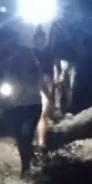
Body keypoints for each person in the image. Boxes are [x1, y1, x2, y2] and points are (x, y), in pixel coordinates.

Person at [0, 48, 44, 176]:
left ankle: (26, 166)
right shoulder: (14, 72)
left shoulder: (33, 72)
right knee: (22, 137)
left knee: (24, 137)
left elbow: (41, 86)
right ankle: (28, 162)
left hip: (28, 108)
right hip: (23, 107)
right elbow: (7, 89)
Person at [32, 27, 55, 156]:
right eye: (38, 38)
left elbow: (51, 72)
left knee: (43, 115)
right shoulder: (33, 53)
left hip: (46, 82)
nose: (40, 40)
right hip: (37, 85)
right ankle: (40, 143)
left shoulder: (48, 53)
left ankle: (40, 142)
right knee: (40, 115)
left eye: (42, 38)